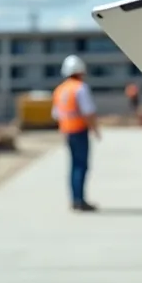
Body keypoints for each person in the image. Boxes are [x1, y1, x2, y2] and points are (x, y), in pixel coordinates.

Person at [52, 54, 100, 212]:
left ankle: (74, 199)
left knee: (73, 166)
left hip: (67, 131)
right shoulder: (80, 88)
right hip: (79, 131)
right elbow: (88, 111)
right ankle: (80, 200)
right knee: (81, 166)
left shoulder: (60, 89)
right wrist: (95, 129)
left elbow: (56, 114)